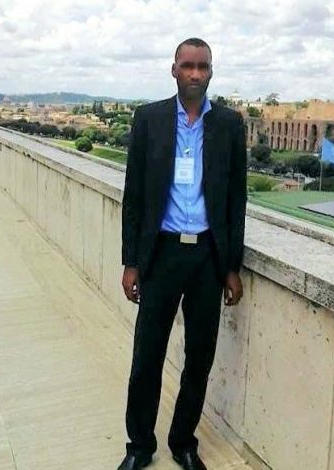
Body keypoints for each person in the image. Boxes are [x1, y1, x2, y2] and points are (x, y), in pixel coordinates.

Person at [118, 38, 247, 470]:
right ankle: (139, 447)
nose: (195, 74)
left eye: (202, 66)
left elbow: (236, 199)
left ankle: (183, 442)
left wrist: (231, 267)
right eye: (188, 65)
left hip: (208, 258)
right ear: (173, 69)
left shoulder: (229, 124)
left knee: (199, 357)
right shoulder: (149, 119)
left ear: (211, 71)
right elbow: (134, 195)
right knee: (147, 356)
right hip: (161, 255)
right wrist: (131, 262)